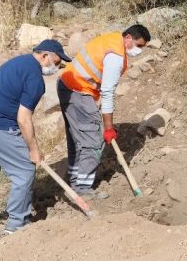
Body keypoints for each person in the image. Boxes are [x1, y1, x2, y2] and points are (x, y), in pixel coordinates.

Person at [0, 39, 72, 234]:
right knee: (24, 171)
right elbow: (23, 119)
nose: (58, 67)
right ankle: (17, 224)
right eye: (57, 62)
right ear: (44, 56)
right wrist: (34, 150)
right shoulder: (35, 79)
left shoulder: (18, 62)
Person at [57, 24, 150, 198]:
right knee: (92, 141)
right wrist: (108, 127)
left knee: (78, 139)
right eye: (139, 45)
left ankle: (73, 179)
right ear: (128, 38)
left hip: (68, 86)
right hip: (79, 91)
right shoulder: (115, 56)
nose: (139, 51)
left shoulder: (112, 39)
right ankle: (81, 189)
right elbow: (107, 92)